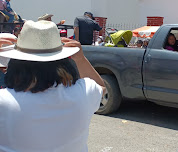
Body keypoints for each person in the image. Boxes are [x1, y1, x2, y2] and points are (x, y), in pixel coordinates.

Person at [0, 20, 106, 151]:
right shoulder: (83, 92)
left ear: (15, 63)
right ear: (63, 61)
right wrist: (81, 59)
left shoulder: (4, 101)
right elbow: (101, 87)